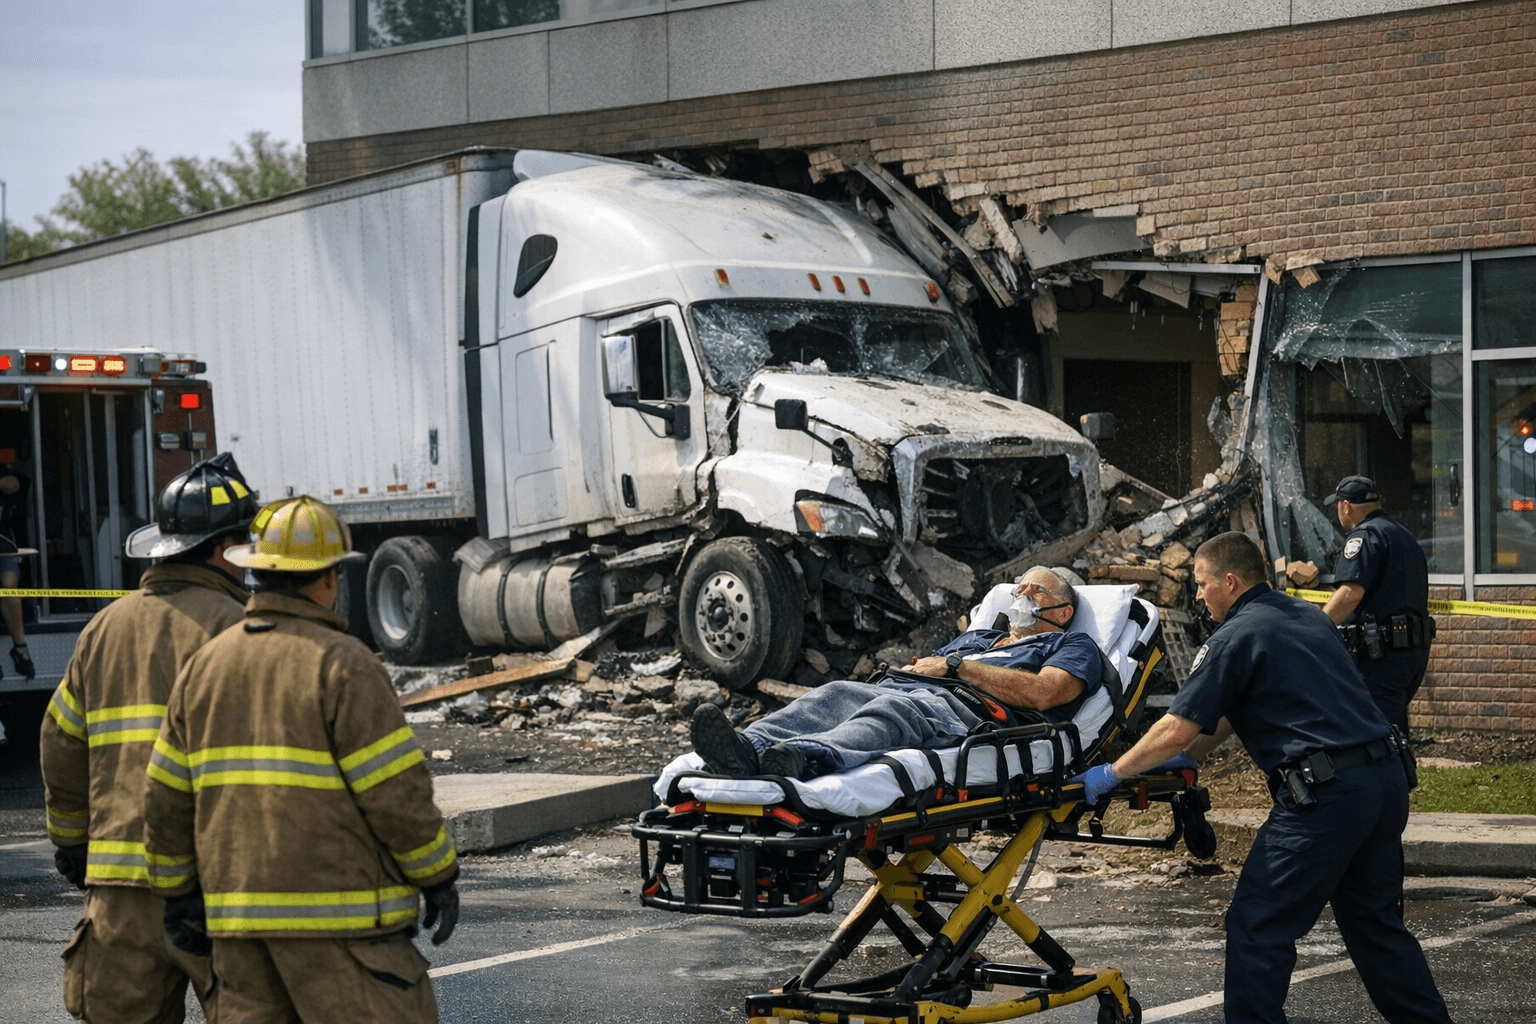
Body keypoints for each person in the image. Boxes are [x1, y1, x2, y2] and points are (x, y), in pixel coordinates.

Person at [1073, 531, 1452, 1024]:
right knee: (1377, 929)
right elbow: (1221, 717)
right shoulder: (1306, 618)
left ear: (1229, 582)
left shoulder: (1234, 636)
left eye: (1202, 583)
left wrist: (1111, 772)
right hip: (1383, 783)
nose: (1198, 594)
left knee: (1258, 926)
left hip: (1327, 798)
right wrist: (1190, 758)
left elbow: (1174, 728)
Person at [142, 495, 458, 1024]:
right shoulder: (345, 664)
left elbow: (165, 795)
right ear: (329, 578)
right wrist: (436, 876)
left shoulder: (205, 666)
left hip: (240, 934)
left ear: (256, 573)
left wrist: (176, 894)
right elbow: (395, 794)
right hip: (346, 933)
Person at [40, 452, 258, 1022]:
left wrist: (70, 840)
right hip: (218, 890)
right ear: (222, 547)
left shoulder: (103, 628)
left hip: (120, 891)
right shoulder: (242, 628)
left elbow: (61, 740)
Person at [690, 566, 1104, 781]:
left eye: (1037, 591)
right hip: (911, 688)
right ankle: (746, 750)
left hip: (966, 711)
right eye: (1019, 589)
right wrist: (927, 666)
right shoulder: (979, 639)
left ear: (1063, 612)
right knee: (834, 692)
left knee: (894, 712)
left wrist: (957, 667)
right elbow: (934, 664)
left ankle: (806, 759)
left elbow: (1044, 694)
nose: (1023, 595)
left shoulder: (1071, 645)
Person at [1320, 474, 1433, 740]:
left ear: (1345, 506)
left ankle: (1394, 780)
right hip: (1411, 655)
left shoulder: (1364, 536)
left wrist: (1316, 628)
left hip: (1379, 657)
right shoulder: (1402, 536)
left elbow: (1349, 593)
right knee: (1390, 726)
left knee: (1380, 734)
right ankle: (1397, 777)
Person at [0, 468, 35, 680]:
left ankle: (20, 648)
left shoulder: (6, 476)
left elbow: (13, 483)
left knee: (8, 585)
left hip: (3, 546)